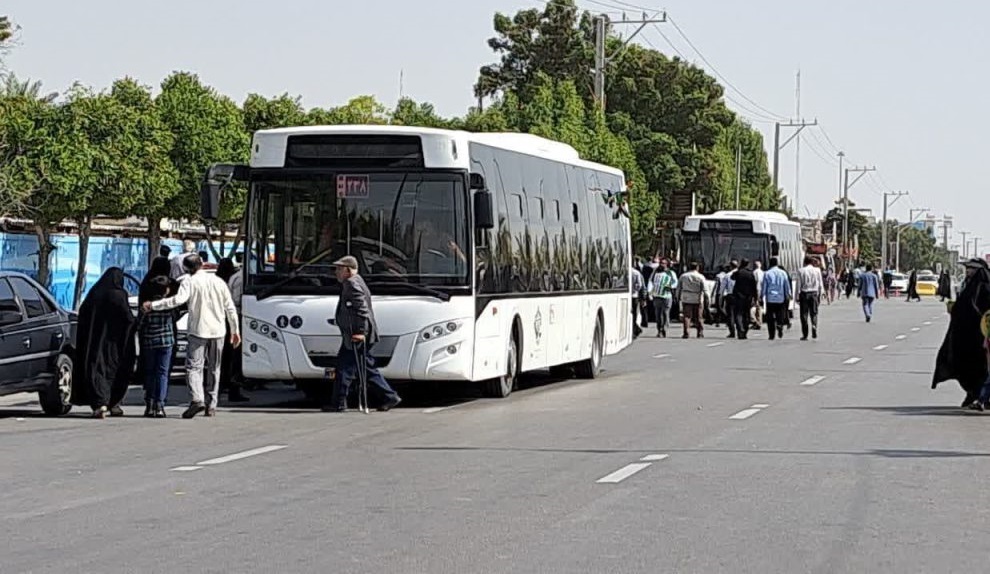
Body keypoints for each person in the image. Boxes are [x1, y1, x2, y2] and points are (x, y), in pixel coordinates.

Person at [144, 254, 240, 419]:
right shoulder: (218, 282)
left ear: (187, 268)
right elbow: (230, 307)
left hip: (198, 330)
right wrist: (235, 330)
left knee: (194, 367)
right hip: (218, 330)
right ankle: (212, 404)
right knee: (214, 368)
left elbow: (177, 300)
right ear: (202, 264)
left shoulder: (189, 281)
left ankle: (197, 398)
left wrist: (154, 305)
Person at [325, 256, 402, 412]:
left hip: (357, 335)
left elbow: (361, 309)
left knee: (345, 368)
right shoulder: (355, 281)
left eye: (339, 269)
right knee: (365, 368)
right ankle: (389, 396)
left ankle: (339, 402)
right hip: (354, 334)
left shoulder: (352, 284)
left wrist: (360, 332)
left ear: (347, 270)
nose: (336, 272)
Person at [71, 267, 137, 419]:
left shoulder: (94, 294)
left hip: (93, 344)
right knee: (116, 372)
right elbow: (127, 318)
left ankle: (100, 404)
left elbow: (83, 316)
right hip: (115, 345)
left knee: (96, 371)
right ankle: (113, 403)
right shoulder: (119, 295)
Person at [933, 259, 990, 408]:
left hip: (981, 337)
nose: (968, 271)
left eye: (971, 268)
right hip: (965, 336)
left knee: (982, 368)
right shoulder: (968, 284)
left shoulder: (984, 287)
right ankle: (975, 394)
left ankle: (981, 396)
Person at [138, 257, 179, 417]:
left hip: (148, 339)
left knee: (149, 370)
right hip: (167, 339)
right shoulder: (172, 288)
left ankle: (149, 403)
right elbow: (178, 310)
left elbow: (140, 322)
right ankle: (160, 404)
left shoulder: (146, 284)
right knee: (163, 371)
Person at [216, 258, 249, 403]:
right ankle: (233, 388)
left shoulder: (231, 278)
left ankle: (222, 386)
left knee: (226, 356)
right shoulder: (241, 278)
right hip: (236, 318)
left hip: (225, 318)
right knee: (235, 357)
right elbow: (236, 300)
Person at [761, 258, 791, 341]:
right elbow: (786, 285)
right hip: (780, 297)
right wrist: (788, 294)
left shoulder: (767, 273)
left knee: (770, 316)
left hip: (770, 298)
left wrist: (761, 296)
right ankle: (780, 325)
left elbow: (764, 287)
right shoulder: (783, 273)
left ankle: (771, 334)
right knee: (780, 314)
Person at [677, 262, 707, 339]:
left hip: (686, 297)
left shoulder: (683, 276)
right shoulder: (701, 277)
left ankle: (686, 332)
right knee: (699, 316)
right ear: (697, 268)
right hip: (698, 298)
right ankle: (700, 333)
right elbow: (705, 289)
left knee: (687, 316)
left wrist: (677, 297)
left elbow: (678, 288)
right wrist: (707, 299)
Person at [648, 260, 677, 338]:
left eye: (664, 263)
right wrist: (649, 292)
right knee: (658, 314)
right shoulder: (655, 272)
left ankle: (664, 328)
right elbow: (650, 282)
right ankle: (659, 330)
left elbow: (675, 283)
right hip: (657, 296)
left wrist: (670, 286)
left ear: (667, 264)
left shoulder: (671, 273)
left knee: (665, 313)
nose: (662, 265)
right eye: (661, 263)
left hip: (667, 296)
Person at [797, 256, 824, 341]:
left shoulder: (801, 270)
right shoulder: (817, 270)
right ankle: (814, 325)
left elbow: (798, 285)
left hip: (804, 293)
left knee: (804, 314)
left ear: (805, 262)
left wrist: (797, 296)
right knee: (814, 312)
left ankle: (805, 334)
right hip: (814, 293)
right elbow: (820, 283)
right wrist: (821, 293)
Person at [731, 259, 757, 340]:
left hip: (738, 296)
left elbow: (732, 277)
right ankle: (745, 329)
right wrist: (755, 297)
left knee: (738, 314)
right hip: (748, 297)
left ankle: (740, 329)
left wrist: (739, 269)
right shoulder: (750, 273)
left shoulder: (739, 272)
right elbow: (754, 287)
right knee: (746, 314)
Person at [721, 260, 738, 338]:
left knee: (730, 315)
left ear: (731, 266)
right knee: (739, 314)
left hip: (730, 296)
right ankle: (741, 330)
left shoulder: (727, 275)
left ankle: (732, 332)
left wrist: (721, 297)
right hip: (740, 296)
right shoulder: (740, 274)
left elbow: (722, 288)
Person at [630, 265, 645, 338]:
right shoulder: (636, 273)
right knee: (634, 313)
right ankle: (635, 328)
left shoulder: (625, 271)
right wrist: (634, 290)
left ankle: (635, 328)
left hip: (629, 295)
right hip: (634, 295)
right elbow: (640, 285)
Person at [752, 260, 765, 329]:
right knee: (759, 307)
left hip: (756, 290)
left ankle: (755, 321)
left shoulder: (754, 273)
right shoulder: (763, 273)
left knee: (753, 307)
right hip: (761, 290)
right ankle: (759, 322)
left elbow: (756, 282)